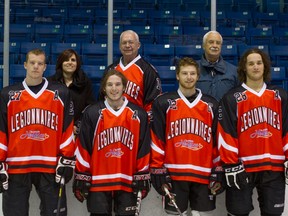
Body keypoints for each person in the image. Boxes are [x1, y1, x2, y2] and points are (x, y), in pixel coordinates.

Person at [0, 49, 76, 215]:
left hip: (50, 166)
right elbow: (2, 131)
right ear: (25, 65)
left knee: (55, 213)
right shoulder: (8, 94)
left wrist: (67, 159)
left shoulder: (61, 93)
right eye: (32, 63)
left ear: (45, 67)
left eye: (40, 63)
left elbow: (67, 128)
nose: (36, 67)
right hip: (16, 167)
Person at [217, 48, 288, 216]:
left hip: (274, 167)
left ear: (265, 67)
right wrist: (231, 164)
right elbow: (226, 133)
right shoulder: (232, 98)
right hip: (243, 167)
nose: (255, 67)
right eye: (251, 64)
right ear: (244, 68)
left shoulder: (279, 96)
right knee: (237, 212)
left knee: (273, 213)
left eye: (259, 63)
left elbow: (286, 129)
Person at [73, 69, 151, 216]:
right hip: (98, 182)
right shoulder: (92, 112)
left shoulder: (138, 114)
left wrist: (142, 174)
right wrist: (82, 175)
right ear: (103, 88)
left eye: (117, 84)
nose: (114, 88)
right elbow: (83, 147)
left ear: (124, 87)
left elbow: (144, 148)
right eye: (109, 85)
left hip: (127, 181)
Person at [150, 57, 219, 216]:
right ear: (177, 76)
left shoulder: (211, 105)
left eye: (192, 73)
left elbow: (217, 141)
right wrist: (158, 169)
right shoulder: (164, 103)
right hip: (174, 174)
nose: (189, 77)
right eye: (185, 73)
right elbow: (157, 139)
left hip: (203, 174)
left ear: (198, 76)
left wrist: (218, 169)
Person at [100, 30, 162, 115]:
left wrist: (145, 125)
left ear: (138, 45)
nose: (127, 45)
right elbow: (102, 99)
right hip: (112, 122)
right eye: (124, 43)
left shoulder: (148, 71)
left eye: (131, 42)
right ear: (119, 46)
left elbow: (153, 104)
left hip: (136, 121)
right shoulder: (111, 69)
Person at [48, 49, 96, 135]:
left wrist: (78, 125)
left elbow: (89, 107)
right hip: (55, 129)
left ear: (77, 63)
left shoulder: (85, 82)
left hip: (78, 131)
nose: (70, 62)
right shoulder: (50, 83)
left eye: (73, 60)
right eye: (66, 60)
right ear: (61, 63)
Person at [197, 30, 239, 101]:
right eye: (211, 42)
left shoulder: (234, 71)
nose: (215, 45)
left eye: (218, 43)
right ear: (204, 46)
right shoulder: (193, 69)